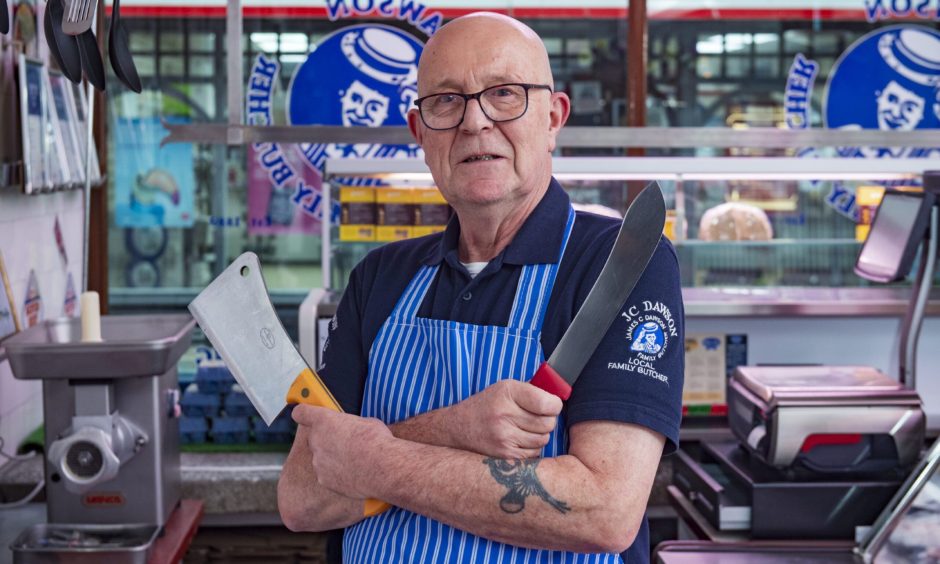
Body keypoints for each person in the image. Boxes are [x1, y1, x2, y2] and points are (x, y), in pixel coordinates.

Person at [278, 12, 684, 564]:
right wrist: (454, 427)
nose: (475, 122)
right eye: (446, 100)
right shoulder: (381, 276)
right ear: (420, 132)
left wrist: (373, 462)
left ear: (552, 115)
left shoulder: (617, 263)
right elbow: (303, 498)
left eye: (505, 94)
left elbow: (604, 510)